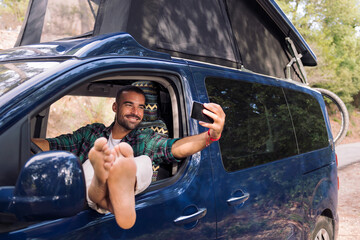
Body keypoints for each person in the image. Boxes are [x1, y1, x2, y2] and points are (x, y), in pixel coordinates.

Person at [32, 85, 225, 229]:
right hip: (85, 195)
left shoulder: (145, 138)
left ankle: (113, 187)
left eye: (141, 107)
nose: (136, 112)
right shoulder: (92, 133)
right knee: (95, 163)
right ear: (115, 107)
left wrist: (210, 136)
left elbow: (175, 148)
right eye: (129, 105)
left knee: (143, 163)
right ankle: (103, 184)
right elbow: (53, 145)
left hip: (114, 190)